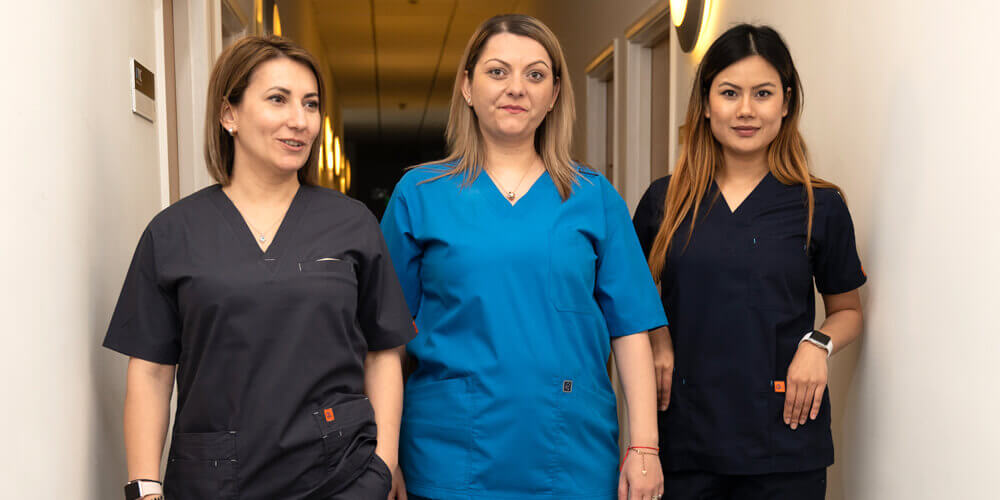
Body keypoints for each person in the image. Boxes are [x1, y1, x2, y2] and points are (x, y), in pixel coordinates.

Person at [103, 35, 415, 500]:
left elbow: (384, 350)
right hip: (216, 479)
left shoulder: (351, 224)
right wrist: (144, 487)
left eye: (310, 104)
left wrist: (383, 462)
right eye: (278, 100)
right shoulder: (173, 233)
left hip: (340, 475)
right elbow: (150, 370)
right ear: (229, 114)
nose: (300, 121)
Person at [380, 14, 667, 500]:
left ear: (554, 94)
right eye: (497, 72)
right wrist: (384, 456)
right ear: (467, 87)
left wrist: (645, 448)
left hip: (572, 452)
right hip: (449, 455)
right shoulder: (419, 194)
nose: (516, 88)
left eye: (535, 74)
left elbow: (631, 330)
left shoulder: (593, 197)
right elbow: (386, 339)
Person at [632, 24, 867, 499]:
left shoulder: (820, 205)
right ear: (705, 103)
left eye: (762, 93)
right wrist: (657, 337)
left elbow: (848, 312)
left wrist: (817, 345)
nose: (745, 110)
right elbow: (628, 301)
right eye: (729, 92)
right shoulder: (665, 201)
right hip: (685, 441)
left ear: (785, 102)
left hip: (784, 444)